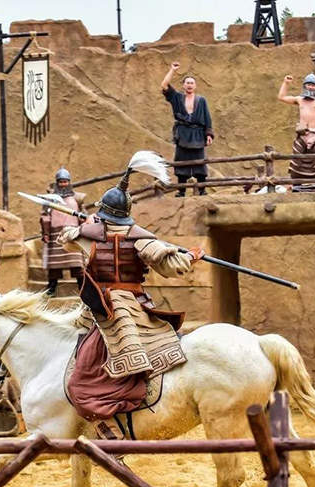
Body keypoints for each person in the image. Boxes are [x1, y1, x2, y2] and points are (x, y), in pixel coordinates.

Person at [58, 171, 204, 441]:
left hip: (108, 309)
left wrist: (85, 226)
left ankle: (110, 425)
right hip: (135, 306)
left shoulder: (88, 237)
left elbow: (65, 241)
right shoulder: (143, 239)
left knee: (83, 377)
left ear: (103, 212)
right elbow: (173, 267)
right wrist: (191, 257)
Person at [161, 62, 214, 197]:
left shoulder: (201, 100)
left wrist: (209, 134)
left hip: (198, 135)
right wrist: (172, 70)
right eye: (187, 83)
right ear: (183, 85)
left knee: (200, 164)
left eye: (192, 83)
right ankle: (181, 191)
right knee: (181, 164)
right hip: (182, 135)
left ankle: (202, 190)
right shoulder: (177, 98)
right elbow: (164, 85)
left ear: (195, 86)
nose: (189, 85)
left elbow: (207, 118)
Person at [40, 167, 86, 296]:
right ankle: (51, 289)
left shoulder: (77, 198)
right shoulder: (50, 199)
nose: (63, 184)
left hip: (72, 234)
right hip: (55, 235)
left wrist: (83, 228)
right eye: (61, 182)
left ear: (69, 182)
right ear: (57, 183)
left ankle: (83, 289)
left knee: (77, 264)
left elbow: (82, 215)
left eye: (65, 181)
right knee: (54, 266)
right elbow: (45, 216)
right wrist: (46, 233)